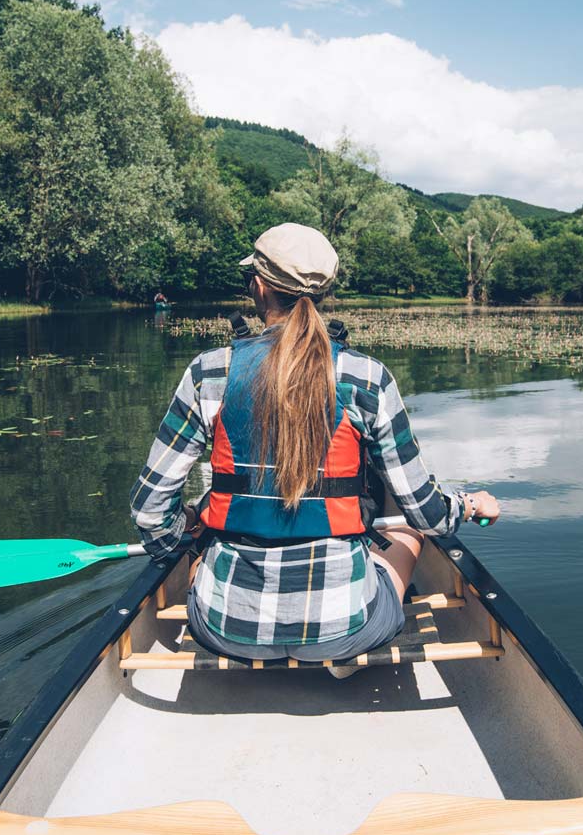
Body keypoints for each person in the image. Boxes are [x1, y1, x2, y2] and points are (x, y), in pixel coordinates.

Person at [129, 223, 501, 677]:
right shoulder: (368, 377)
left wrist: (184, 537)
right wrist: (467, 504)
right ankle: (338, 654)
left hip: (226, 628)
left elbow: (149, 513)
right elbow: (426, 513)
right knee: (409, 531)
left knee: (203, 541)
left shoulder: (209, 373)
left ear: (259, 287)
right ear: (325, 293)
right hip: (347, 627)